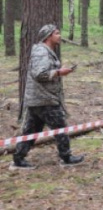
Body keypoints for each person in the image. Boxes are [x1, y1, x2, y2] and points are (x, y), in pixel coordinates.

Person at [11, 25, 84, 170]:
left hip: (39, 98)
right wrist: (58, 72)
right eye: (57, 33)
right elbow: (39, 74)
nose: (59, 36)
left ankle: (18, 158)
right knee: (60, 127)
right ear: (48, 36)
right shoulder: (42, 53)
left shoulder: (45, 51)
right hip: (44, 99)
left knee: (31, 130)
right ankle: (66, 157)